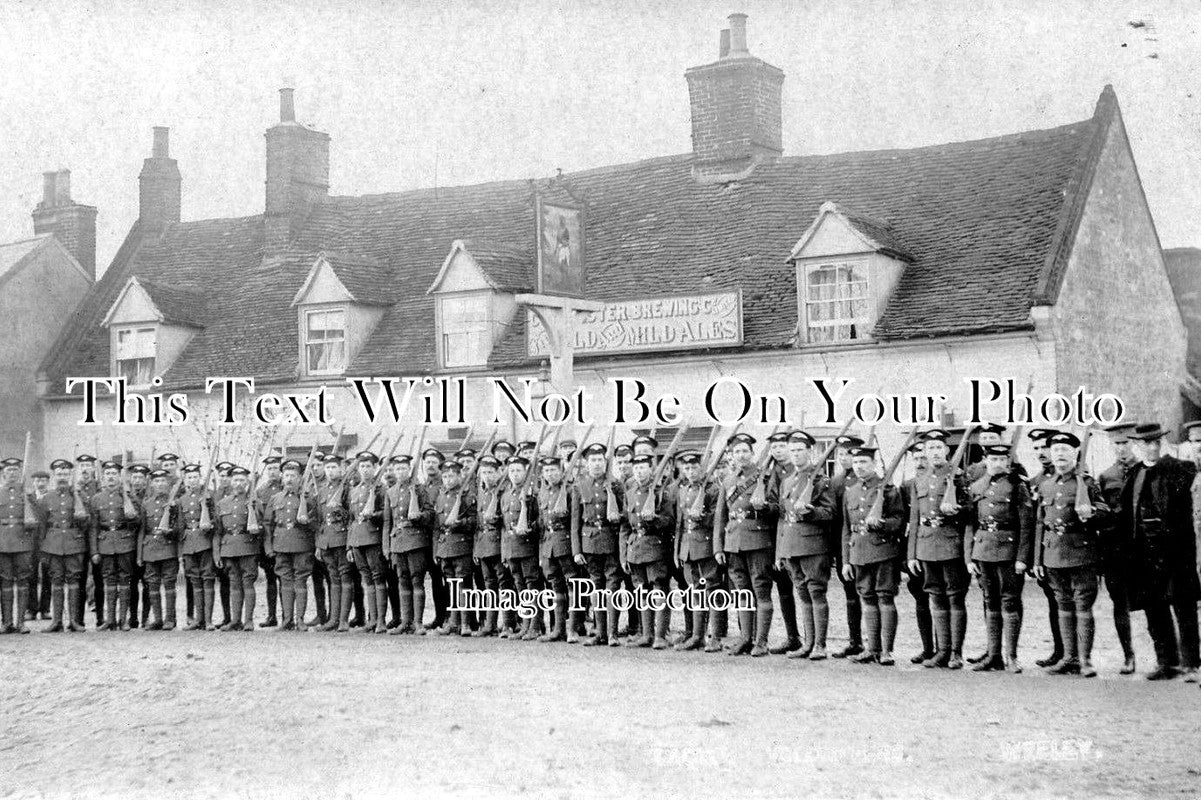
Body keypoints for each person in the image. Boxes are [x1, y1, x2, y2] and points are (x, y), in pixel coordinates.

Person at [1119, 423, 1200, 682]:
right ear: (1137, 446)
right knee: (1154, 609)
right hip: (1144, 553)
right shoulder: (1134, 474)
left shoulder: (1179, 469)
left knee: (1184, 608)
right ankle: (1167, 662)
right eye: (1146, 443)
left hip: (1176, 553)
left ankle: (1191, 664)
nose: (1152, 447)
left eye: (1156, 442)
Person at [1033, 431, 1108, 678]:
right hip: (1053, 553)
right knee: (1063, 605)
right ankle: (1068, 657)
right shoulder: (1046, 485)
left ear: (1075, 453)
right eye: (1056, 451)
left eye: (1065, 450)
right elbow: (1039, 524)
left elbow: (1105, 512)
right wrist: (1037, 559)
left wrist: (1092, 513)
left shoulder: (1087, 483)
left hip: (1081, 553)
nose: (1060, 455)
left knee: (1083, 606)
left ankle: (1085, 660)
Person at [965, 444, 1034, 672]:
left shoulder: (1017, 486)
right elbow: (971, 524)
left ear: (1008, 461)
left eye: (1002, 459)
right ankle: (993, 656)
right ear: (986, 460)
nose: (997, 463)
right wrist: (969, 557)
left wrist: (1022, 557)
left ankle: (1011, 656)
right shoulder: (976, 486)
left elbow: (1026, 524)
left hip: (1008, 551)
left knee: (1009, 601)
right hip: (983, 549)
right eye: (993, 459)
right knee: (990, 600)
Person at [907, 429, 970, 669]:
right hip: (926, 544)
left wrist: (958, 509)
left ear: (947, 450)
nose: (933, 452)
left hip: (951, 542)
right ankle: (942, 650)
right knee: (935, 595)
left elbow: (971, 511)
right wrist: (912, 553)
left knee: (955, 596)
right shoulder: (919, 480)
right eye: (929, 448)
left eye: (937, 448)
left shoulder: (958, 476)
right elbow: (915, 518)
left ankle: (956, 652)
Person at [840, 445, 906, 665]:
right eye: (856, 462)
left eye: (863, 463)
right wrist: (846, 559)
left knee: (885, 597)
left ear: (874, 464)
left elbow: (898, 521)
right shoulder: (851, 491)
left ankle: (887, 651)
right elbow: (846, 528)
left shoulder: (888, 489)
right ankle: (872, 648)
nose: (859, 467)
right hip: (858, 552)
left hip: (883, 551)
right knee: (867, 598)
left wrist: (882, 524)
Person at [715, 433, 778, 657]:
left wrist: (764, 507)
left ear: (752, 454)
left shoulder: (765, 476)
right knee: (742, 592)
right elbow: (721, 517)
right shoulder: (728, 481)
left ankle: (761, 641)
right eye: (737, 452)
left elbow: (776, 508)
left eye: (745, 451)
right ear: (731, 456)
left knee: (761, 591)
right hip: (733, 543)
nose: (741, 455)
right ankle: (745, 639)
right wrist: (718, 547)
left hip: (758, 540)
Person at [775, 430, 836, 660]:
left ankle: (820, 644)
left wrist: (811, 512)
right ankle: (808, 644)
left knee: (816, 592)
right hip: (791, 546)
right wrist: (781, 550)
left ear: (810, 451)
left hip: (813, 546)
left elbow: (830, 513)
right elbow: (783, 517)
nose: (796, 455)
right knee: (802, 594)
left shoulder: (822, 480)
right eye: (792, 451)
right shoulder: (787, 481)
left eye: (800, 450)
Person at [1096, 423, 1139, 674]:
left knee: (1157, 601)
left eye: (1125, 443)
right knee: (1119, 603)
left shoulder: (1145, 471)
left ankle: (1166, 657)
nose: (1122, 449)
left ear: (1133, 443)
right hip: (1115, 550)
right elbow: (1102, 513)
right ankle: (1128, 655)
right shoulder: (1106, 476)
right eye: (1117, 444)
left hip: (1144, 547)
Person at [623, 453, 675, 650]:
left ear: (651, 469)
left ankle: (660, 636)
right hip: (636, 547)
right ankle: (646, 634)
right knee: (642, 591)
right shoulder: (630, 492)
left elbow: (670, 521)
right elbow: (625, 525)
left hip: (656, 546)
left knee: (659, 589)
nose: (639, 471)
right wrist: (624, 552)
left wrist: (654, 519)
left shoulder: (662, 491)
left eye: (643, 467)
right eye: (636, 468)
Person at [264, 460, 318, 631]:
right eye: (286, 475)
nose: (289, 479)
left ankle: (300, 619)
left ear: (299, 478)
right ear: (282, 477)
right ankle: (287, 620)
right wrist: (268, 547)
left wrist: (307, 520)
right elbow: (267, 524)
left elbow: (316, 521)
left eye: (293, 476)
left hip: (302, 544)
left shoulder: (307, 498)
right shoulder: (275, 498)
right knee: (285, 582)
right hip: (280, 544)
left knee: (300, 580)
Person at [39, 459, 90, 632]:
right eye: (59, 474)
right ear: (54, 476)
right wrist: (42, 549)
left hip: (74, 543)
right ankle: (56, 621)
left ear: (71, 476)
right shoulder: (47, 498)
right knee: (56, 581)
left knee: (74, 581)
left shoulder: (79, 496)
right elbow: (42, 525)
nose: (62, 477)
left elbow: (86, 522)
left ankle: (74, 621)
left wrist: (78, 499)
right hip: (53, 544)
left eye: (66, 474)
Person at [88, 461, 139, 631]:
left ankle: (123, 620)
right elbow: (93, 527)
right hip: (105, 543)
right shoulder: (96, 499)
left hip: (125, 542)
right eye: (107, 474)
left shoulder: (129, 497)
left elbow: (138, 521)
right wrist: (94, 550)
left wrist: (128, 503)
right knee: (108, 579)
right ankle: (110, 619)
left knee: (125, 579)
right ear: (103, 478)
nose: (111, 477)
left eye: (114, 474)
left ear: (120, 477)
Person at [828, 434, 865, 658]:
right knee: (850, 593)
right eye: (840, 454)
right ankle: (855, 641)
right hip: (843, 544)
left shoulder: (867, 479)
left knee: (868, 593)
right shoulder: (836, 481)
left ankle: (876, 644)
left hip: (863, 542)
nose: (844, 458)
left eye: (849, 454)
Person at [433, 459, 476, 637]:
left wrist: (461, 523)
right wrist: (436, 548)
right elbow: (437, 525)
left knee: (464, 585)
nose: (448, 479)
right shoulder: (441, 495)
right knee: (451, 585)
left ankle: (465, 623)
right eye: (445, 476)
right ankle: (453, 622)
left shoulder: (467, 495)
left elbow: (475, 520)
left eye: (452, 476)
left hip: (461, 545)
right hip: (445, 546)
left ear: (460, 476)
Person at [537, 456, 578, 643]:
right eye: (546, 471)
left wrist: (576, 549)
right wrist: (541, 552)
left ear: (561, 472)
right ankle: (558, 629)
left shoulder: (570, 491)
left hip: (566, 543)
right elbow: (541, 524)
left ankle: (573, 629)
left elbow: (575, 521)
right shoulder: (543, 493)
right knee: (556, 586)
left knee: (573, 585)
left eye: (553, 470)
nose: (550, 474)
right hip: (548, 545)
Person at [347, 452, 388, 634]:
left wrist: (374, 515)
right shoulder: (354, 491)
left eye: (368, 466)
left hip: (373, 538)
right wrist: (349, 545)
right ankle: (371, 620)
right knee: (366, 580)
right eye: (362, 466)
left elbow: (387, 515)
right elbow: (351, 519)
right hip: (357, 540)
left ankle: (380, 621)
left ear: (375, 468)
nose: (365, 470)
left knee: (378, 578)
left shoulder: (381, 489)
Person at [215, 466, 260, 631]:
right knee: (234, 584)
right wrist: (217, 554)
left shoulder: (254, 501)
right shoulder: (222, 503)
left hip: (248, 547)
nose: (238, 483)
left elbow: (263, 525)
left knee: (248, 582)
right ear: (230, 482)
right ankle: (235, 620)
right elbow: (218, 531)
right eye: (235, 480)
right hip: (228, 548)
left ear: (247, 482)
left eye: (242, 480)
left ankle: (248, 620)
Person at [138, 470, 181, 630]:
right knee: (152, 584)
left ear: (168, 484)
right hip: (150, 548)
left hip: (168, 547)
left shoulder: (175, 503)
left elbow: (179, 527)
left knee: (169, 583)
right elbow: (142, 530)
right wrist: (139, 554)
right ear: (152, 484)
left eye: (163, 481)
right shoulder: (146, 504)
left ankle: (170, 619)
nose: (160, 484)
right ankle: (157, 619)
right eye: (156, 481)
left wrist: (171, 531)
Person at [177, 464, 218, 631]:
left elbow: (216, 520)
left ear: (200, 479)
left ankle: (208, 620)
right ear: (185, 481)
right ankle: (198, 619)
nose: (192, 480)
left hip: (205, 542)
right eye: (189, 477)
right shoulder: (182, 500)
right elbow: (180, 526)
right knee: (194, 580)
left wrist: (210, 524)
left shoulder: (208, 497)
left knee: (207, 578)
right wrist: (181, 550)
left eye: (195, 477)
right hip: (188, 543)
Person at [0, 457, 36, 634]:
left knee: (23, 581)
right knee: (5, 581)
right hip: (3, 542)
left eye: (15, 470)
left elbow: (38, 516)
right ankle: (6, 622)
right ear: (3, 474)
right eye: (8, 471)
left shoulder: (26, 493)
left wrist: (30, 498)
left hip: (22, 541)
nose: (12, 474)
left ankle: (21, 622)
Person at [472, 454, 505, 637]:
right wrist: (477, 548)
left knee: (504, 584)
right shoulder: (482, 492)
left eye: (491, 472)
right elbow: (479, 523)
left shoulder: (504, 492)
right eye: (484, 472)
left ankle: (509, 623)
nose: (487, 476)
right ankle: (490, 625)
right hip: (484, 545)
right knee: (489, 586)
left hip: (499, 545)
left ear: (498, 472)